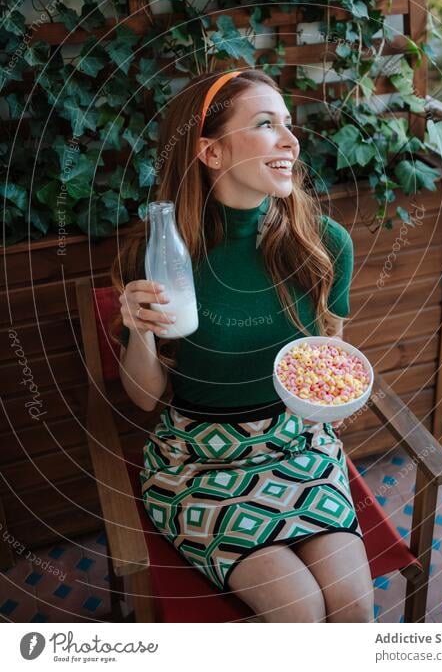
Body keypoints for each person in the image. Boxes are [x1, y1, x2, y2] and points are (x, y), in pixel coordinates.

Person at [110, 68, 374, 623]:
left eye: (288, 124)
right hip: (199, 462)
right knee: (300, 612)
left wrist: (334, 405)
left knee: (352, 607)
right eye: (264, 124)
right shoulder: (160, 258)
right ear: (209, 152)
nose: (290, 139)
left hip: (298, 446)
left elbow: (330, 356)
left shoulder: (325, 244)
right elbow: (144, 398)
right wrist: (138, 329)